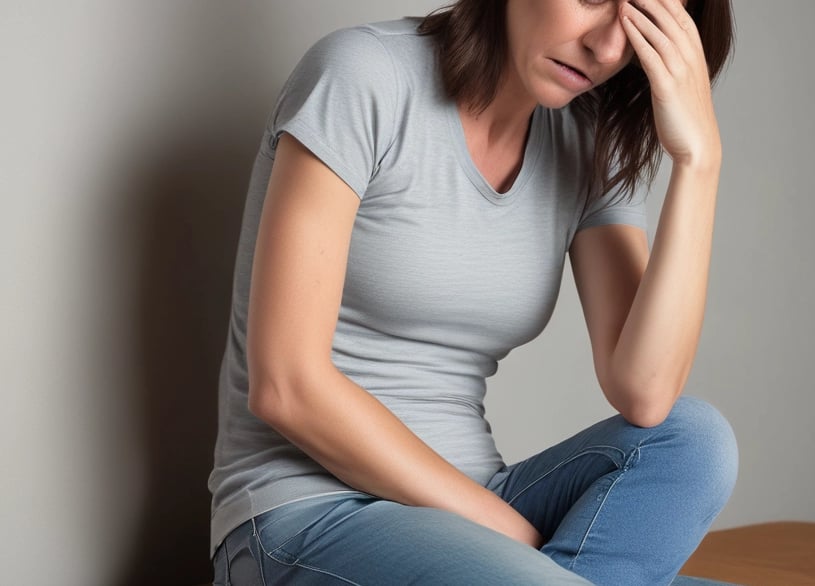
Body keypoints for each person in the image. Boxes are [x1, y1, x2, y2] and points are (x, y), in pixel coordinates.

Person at [208, 0, 737, 583]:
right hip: (306, 515)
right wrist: (515, 539)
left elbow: (646, 392)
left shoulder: (585, 139)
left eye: (640, 18)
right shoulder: (364, 74)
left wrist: (699, 160)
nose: (608, 49)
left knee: (696, 442)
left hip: (476, 502)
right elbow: (287, 387)